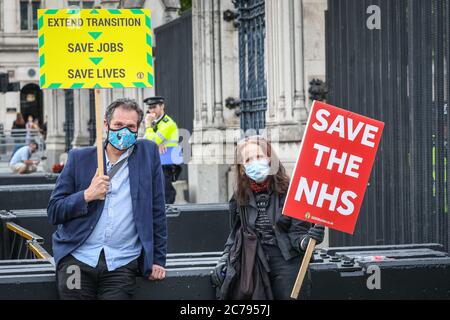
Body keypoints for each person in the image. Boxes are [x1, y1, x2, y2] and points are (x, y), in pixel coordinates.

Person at [47, 98, 167, 300]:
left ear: (138, 129)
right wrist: (87, 195)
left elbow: (158, 211)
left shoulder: (147, 154)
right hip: (75, 260)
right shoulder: (79, 158)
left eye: (131, 127)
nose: (124, 132)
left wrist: (158, 259)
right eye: (118, 125)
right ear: (106, 126)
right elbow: (54, 211)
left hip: (121, 263)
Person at [211, 136, 325, 300]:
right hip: (254, 264)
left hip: (287, 262)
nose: (255, 162)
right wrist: (223, 260)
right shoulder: (239, 197)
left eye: (259, 156)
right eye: (248, 159)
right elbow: (236, 235)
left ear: (270, 159)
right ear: (242, 168)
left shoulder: (292, 191)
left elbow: (298, 233)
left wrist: (307, 241)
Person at [143, 96, 180, 204]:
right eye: (150, 108)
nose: (152, 111)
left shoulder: (168, 123)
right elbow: (147, 142)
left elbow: (151, 142)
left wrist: (148, 126)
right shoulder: (155, 123)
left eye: (154, 107)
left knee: (165, 191)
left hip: (166, 163)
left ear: (162, 106)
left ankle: (168, 215)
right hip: (156, 162)